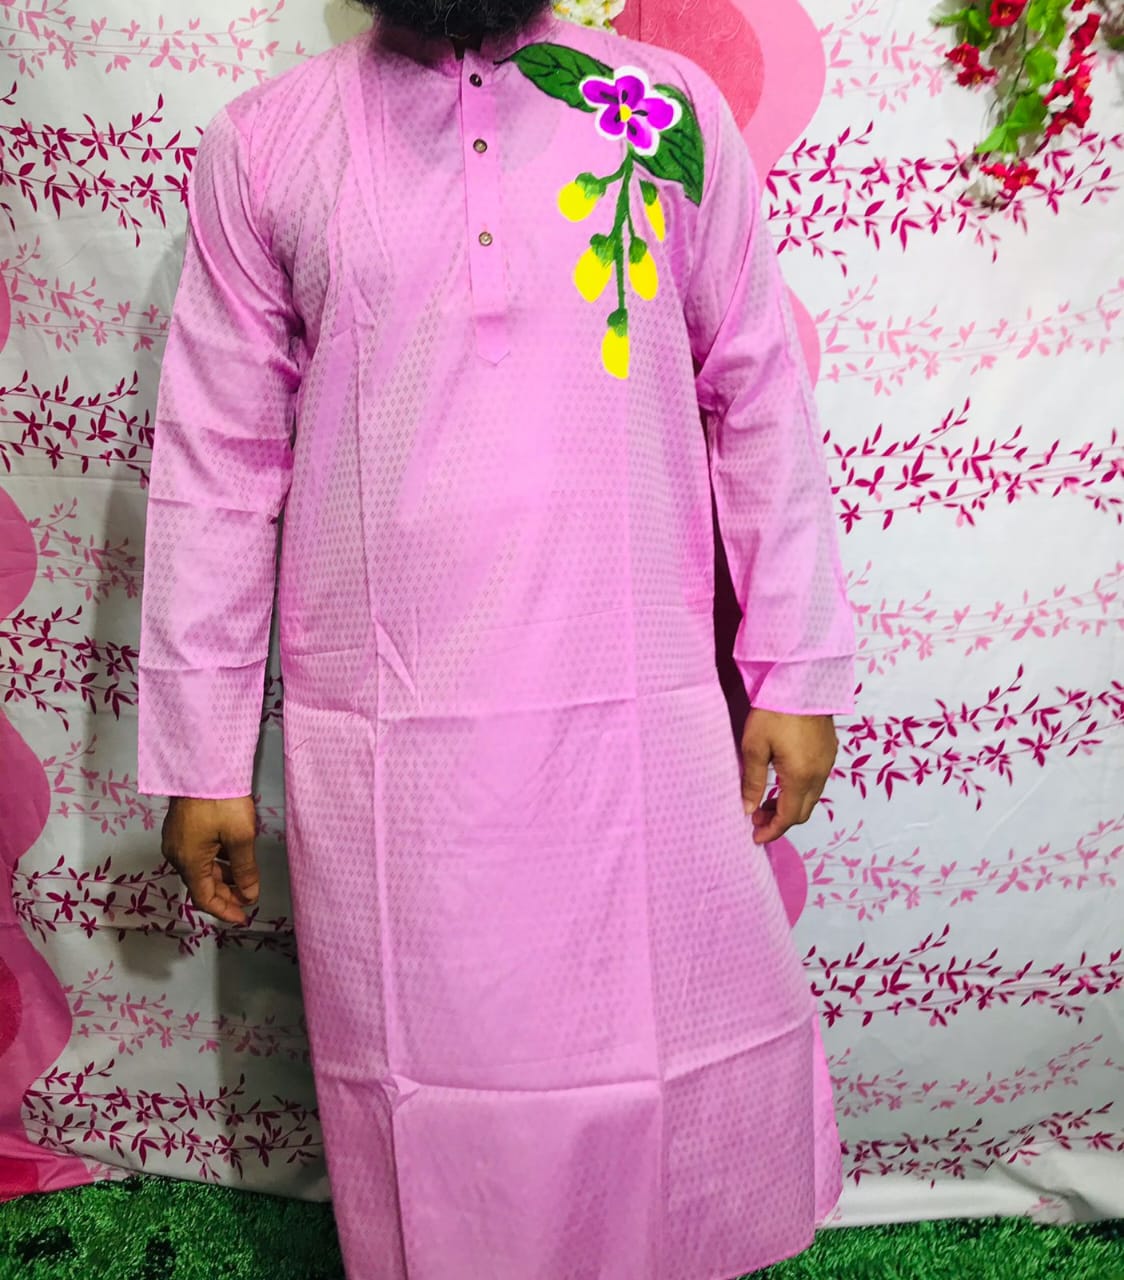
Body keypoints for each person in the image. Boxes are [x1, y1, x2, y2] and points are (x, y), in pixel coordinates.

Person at [137, 0, 856, 1273]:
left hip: (629, 721)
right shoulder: (268, 144)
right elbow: (218, 458)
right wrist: (201, 751)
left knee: (651, 1034)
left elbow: (752, 388)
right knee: (431, 1070)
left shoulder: (662, 114)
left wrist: (792, 666)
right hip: (399, 759)